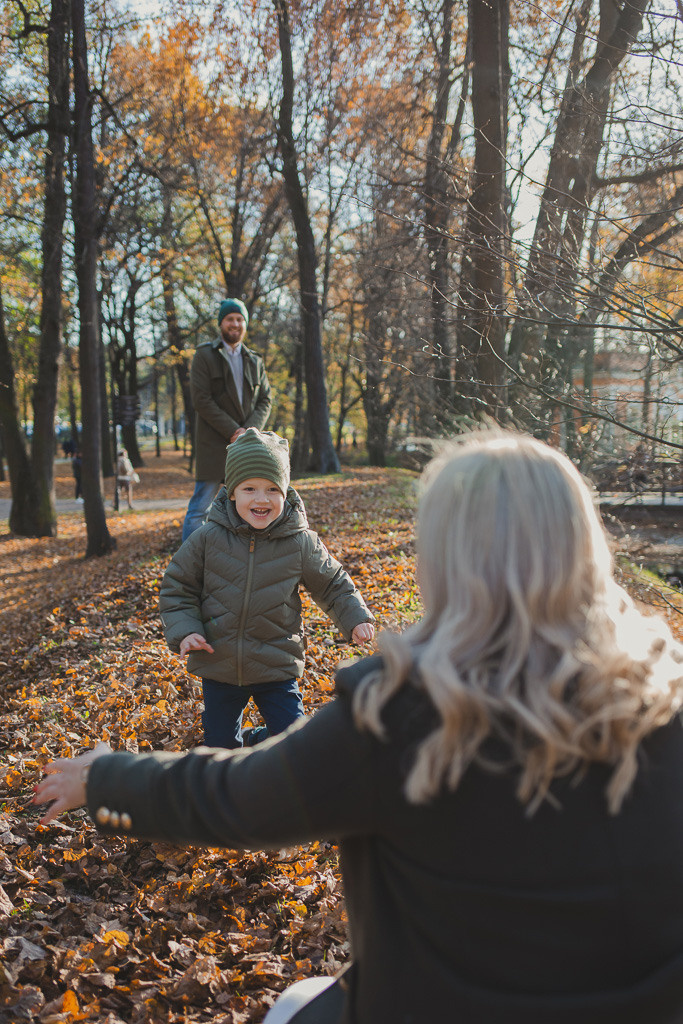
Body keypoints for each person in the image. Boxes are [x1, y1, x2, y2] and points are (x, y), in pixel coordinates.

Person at [34, 430, 683, 1024]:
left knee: (291, 1007)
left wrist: (108, 777)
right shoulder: (664, 703)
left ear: (444, 558)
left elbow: (240, 800)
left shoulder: (398, 715)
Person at [162, 427, 375, 748]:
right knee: (221, 747)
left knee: (293, 742)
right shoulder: (207, 538)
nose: (261, 499)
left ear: (286, 493)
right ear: (231, 492)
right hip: (219, 664)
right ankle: (237, 756)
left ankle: (262, 745)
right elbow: (178, 587)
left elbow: (332, 583)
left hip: (277, 664)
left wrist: (355, 617)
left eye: (272, 489)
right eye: (249, 488)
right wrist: (186, 629)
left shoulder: (300, 542)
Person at [182, 297, 272, 542]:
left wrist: (249, 431)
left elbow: (265, 399)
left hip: (246, 447)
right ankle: (187, 569)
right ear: (221, 323)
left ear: (245, 324)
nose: (235, 324)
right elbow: (201, 399)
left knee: (243, 508)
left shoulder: (255, 360)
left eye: (240, 319)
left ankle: (236, 563)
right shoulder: (205, 355)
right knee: (199, 508)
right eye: (230, 319)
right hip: (214, 445)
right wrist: (234, 430)